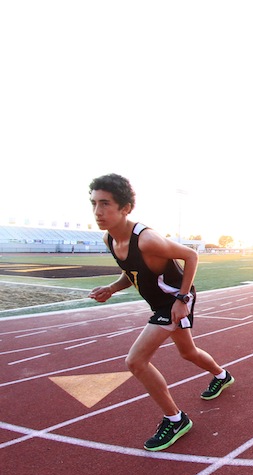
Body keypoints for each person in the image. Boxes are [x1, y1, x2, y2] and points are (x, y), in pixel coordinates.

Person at [88, 174, 234, 451]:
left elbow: (191, 256)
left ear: (125, 208)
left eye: (105, 204)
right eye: (94, 203)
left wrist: (181, 299)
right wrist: (111, 288)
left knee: (135, 361)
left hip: (174, 301)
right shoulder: (110, 239)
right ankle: (221, 375)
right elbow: (133, 272)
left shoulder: (147, 239)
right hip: (161, 303)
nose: (98, 211)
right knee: (187, 352)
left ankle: (175, 419)